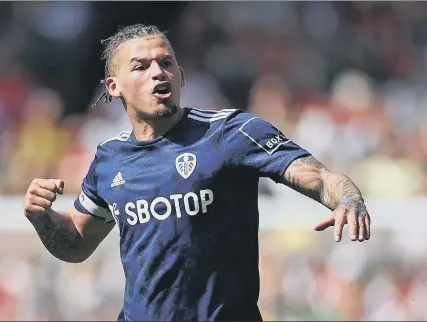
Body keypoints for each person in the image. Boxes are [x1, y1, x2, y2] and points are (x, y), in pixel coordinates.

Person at [23, 24, 371, 321]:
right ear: (113, 87)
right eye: (140, 66)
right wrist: (42, 217)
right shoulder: (110, 158)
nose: (158, 72)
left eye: (166, 63)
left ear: (181, 76)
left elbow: (321, 177)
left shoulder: (231, 133)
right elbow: (76, 245)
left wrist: (348, 198)